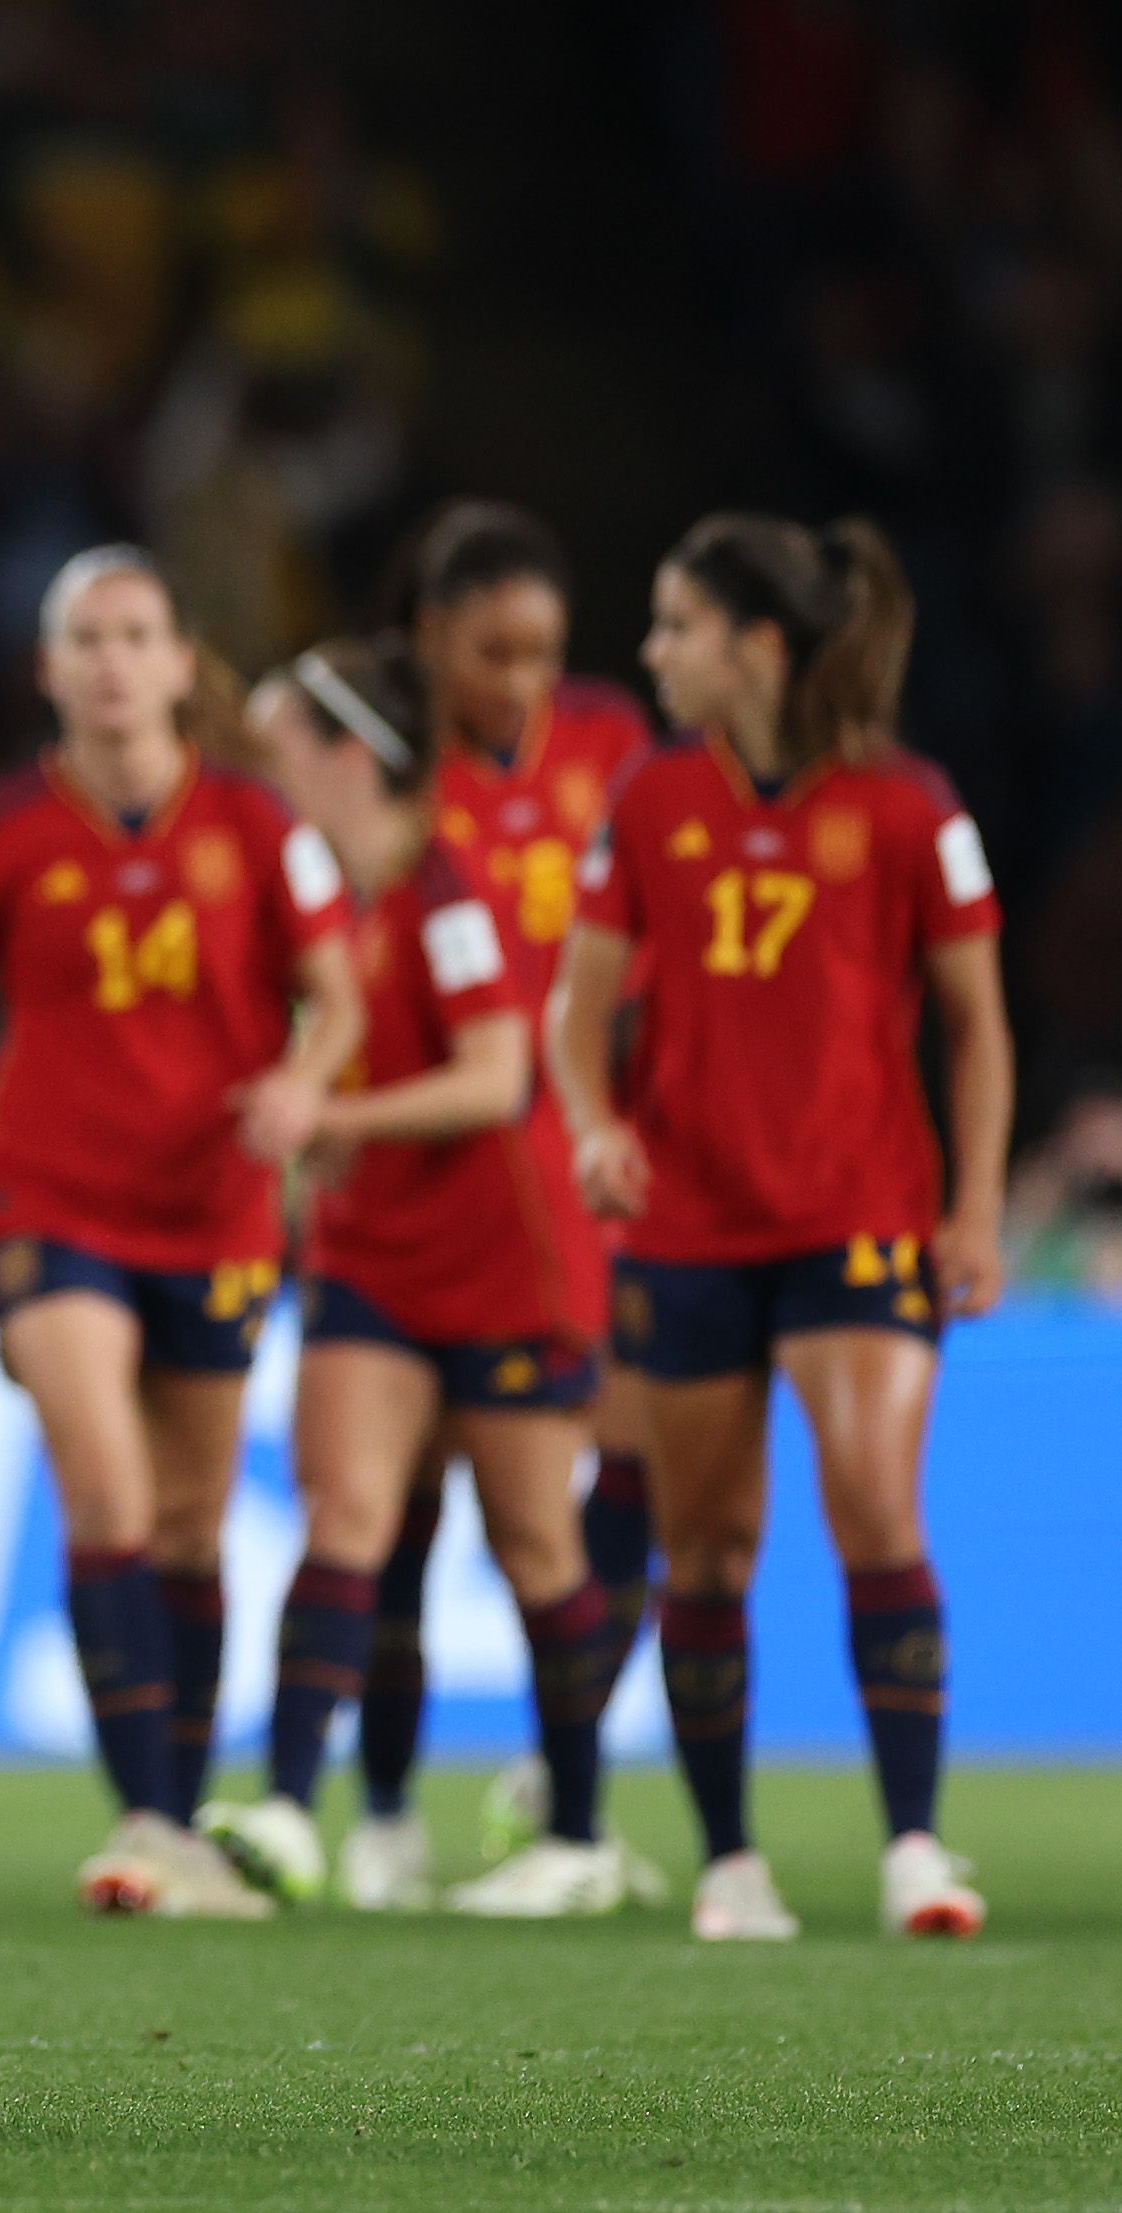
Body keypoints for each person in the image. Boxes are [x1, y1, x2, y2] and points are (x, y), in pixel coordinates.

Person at [0, 545, 363, 1919]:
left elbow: (338, 995)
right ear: (50, 667)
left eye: (136, 634)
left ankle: (181, 1813)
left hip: (213, 1207)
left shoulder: (263, 829)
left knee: (196, 1529)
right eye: (86, 636)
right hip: (46, 1199)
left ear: (176, 664)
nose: (110, 659)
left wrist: (303, 1080)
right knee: (107, 1488)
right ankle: (149, 1813)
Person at [551, 513, 1010, 1941]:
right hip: (690, 1222)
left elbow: (978, 1025)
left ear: (756, 642)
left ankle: (916, 1846)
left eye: (674, 624)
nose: (652, 652)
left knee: (874, 1504)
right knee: (705, 1552)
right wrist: (593, 1123)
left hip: (857, 1213)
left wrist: (977, 1204)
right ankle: (731, 1860)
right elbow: (578, 1012)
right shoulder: (646, 798)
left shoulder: (910, 805)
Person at [203, 634, 633, 1917]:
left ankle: (577, 1834)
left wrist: (333, 1123)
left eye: (283, 749)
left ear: (347, 757)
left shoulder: (442, 893)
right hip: (372, 1258)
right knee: (344, 1512)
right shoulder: (329, 898)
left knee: (532, 1539)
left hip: (502, 1255)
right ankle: (287, 1808)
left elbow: (498, 1078)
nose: (268, 777)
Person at [344, 502, 662, 1909]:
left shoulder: (613, 745)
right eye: (493, 652)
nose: (523, 682)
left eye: (542, 651)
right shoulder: (394, 773)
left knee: (623, 1474)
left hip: (589, 1164)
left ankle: (565, 1774)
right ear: (430, 640)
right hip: (432, 1174)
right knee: (404, 1507)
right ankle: (390, 1805)